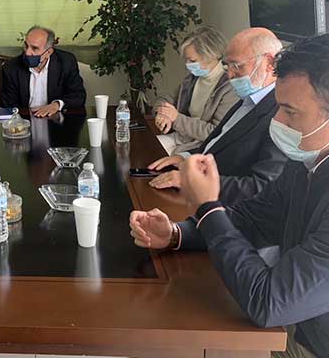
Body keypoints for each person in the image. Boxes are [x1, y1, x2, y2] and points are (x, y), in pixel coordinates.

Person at [130, 34, 329, 358]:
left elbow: (268, 302)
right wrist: (176, 234)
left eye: (290, 112)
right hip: (296, 328)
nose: (277, 121)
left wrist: (208, 206)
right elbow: (253, 218)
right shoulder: (304, 164)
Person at [148, 27, 287, 205]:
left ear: (269, 63)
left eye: (237, 66)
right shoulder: (248, 100)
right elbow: (219, 143)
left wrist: (193, 181)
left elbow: (263, 187)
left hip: (223, 205)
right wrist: (186, 157)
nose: (230, 75)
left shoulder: (281, 114)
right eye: (227, 66)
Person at [154, 26, 239, 154]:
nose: (187, 64)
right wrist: (162, 113)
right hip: (182, 137)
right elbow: (166, 98)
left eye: (192, 60)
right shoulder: (192, 79)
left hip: (203, 146)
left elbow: (214, 132)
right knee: (142, 149)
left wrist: (176, 118)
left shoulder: (230, 87)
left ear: (211, 56)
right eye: (186, 59)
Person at [1, 25, 87, 117]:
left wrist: (57, 105)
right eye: (26, 46)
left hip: (55, 119)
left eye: (34, 48)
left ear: (48, 52)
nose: (27, 52)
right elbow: (8, 104)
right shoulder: (11, 67)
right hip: (24, 120)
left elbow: (78, 96)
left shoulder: (66, 62)